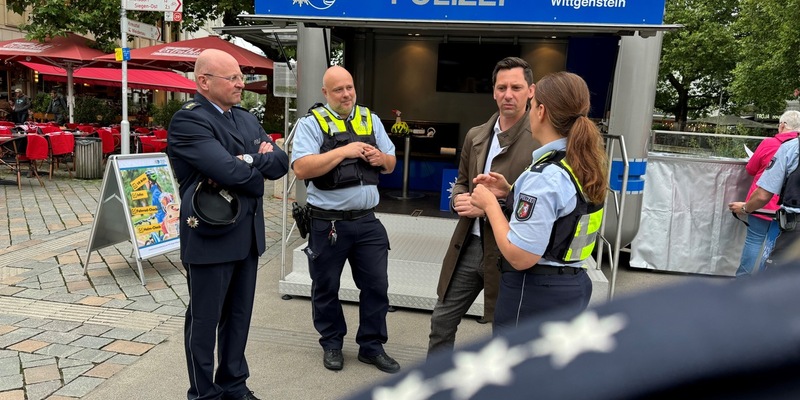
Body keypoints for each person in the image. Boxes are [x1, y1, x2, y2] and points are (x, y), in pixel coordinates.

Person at [167, 48, 289, 400]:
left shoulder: (246, 118)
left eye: (240, 76)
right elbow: (229, 172)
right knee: (204, 324)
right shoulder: (189, 120)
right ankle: (205, 394)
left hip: (246, 237)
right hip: (210, 235)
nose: (241, 84)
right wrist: (254, 167)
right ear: (203, 82)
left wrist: (246, 162)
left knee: (238, 319)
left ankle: (234, 384)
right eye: (232, 78)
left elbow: (280, 162)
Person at [470, 71, 607, 332]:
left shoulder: (544, 176)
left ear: (541, 111)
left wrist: (489, 205)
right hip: (572, 285)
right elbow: (563, 215)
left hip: (535, 294)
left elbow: (521, 256)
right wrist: (511, 191)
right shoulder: (580, 162)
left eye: (532, 105)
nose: (530, 112)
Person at [291, 65, 399, 373]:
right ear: (326, 93)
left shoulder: (371, 120)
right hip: (328, 224)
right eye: (338, 89)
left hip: (367, 222)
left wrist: (382, 159)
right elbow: (301, 168)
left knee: (377, 286)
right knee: (325, 287)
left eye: (349, 87)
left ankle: (372, 346)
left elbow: (391, 163)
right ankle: (332, 344)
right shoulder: (312, 125)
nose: (346, 94)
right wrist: (345, 150)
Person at [428, 57, 539, 356]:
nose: (508, 94)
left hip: (509, 249)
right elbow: (462, 182)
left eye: (516, 87)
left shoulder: (541, 141)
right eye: (501, 87)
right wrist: (458, 200)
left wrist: (494, 204)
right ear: (493, 92)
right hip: (469, 244)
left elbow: (540, 205)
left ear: (531, 91)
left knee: (505, 333)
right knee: (441, 321)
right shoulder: (476, 135)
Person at [732, 111, 800, 277]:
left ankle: (743, 281)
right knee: (773, 244)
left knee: (755, 241)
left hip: (767, 206)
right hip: (783, 209)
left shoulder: (777, 145)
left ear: (782, 125)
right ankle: (765, 282)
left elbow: (751, 169)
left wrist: (746, 208)